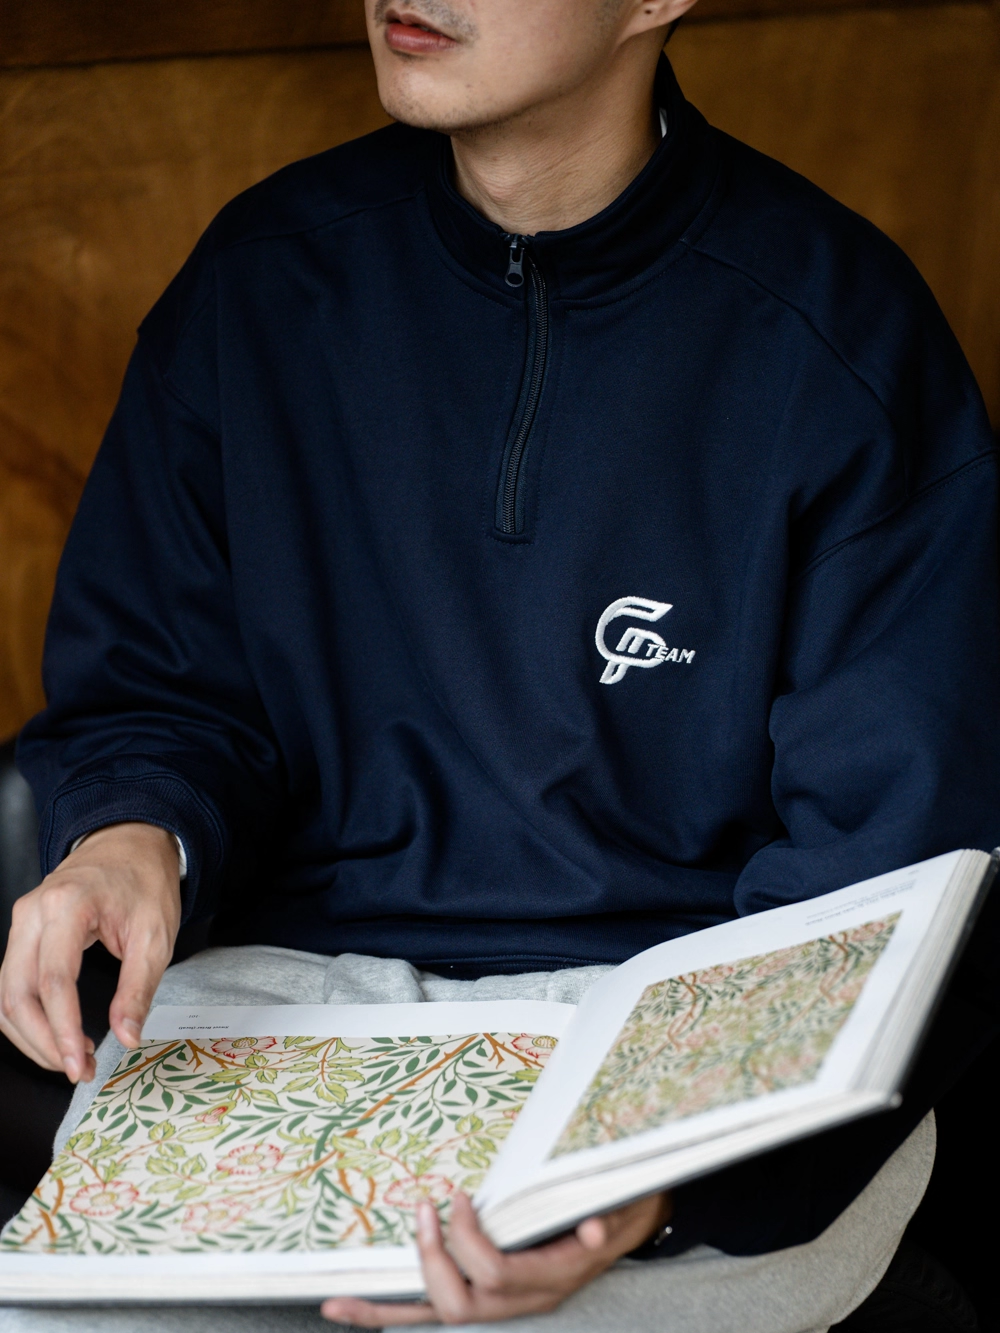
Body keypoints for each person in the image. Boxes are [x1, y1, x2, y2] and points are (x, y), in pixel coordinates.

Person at [1, 0, 997, 1327]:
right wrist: (130, 836)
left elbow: (899, 857)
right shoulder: (258, 282)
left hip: (690, 1028)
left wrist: (659, 1180)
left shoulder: (841, 334)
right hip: (288, 1011)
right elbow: (158, 687)